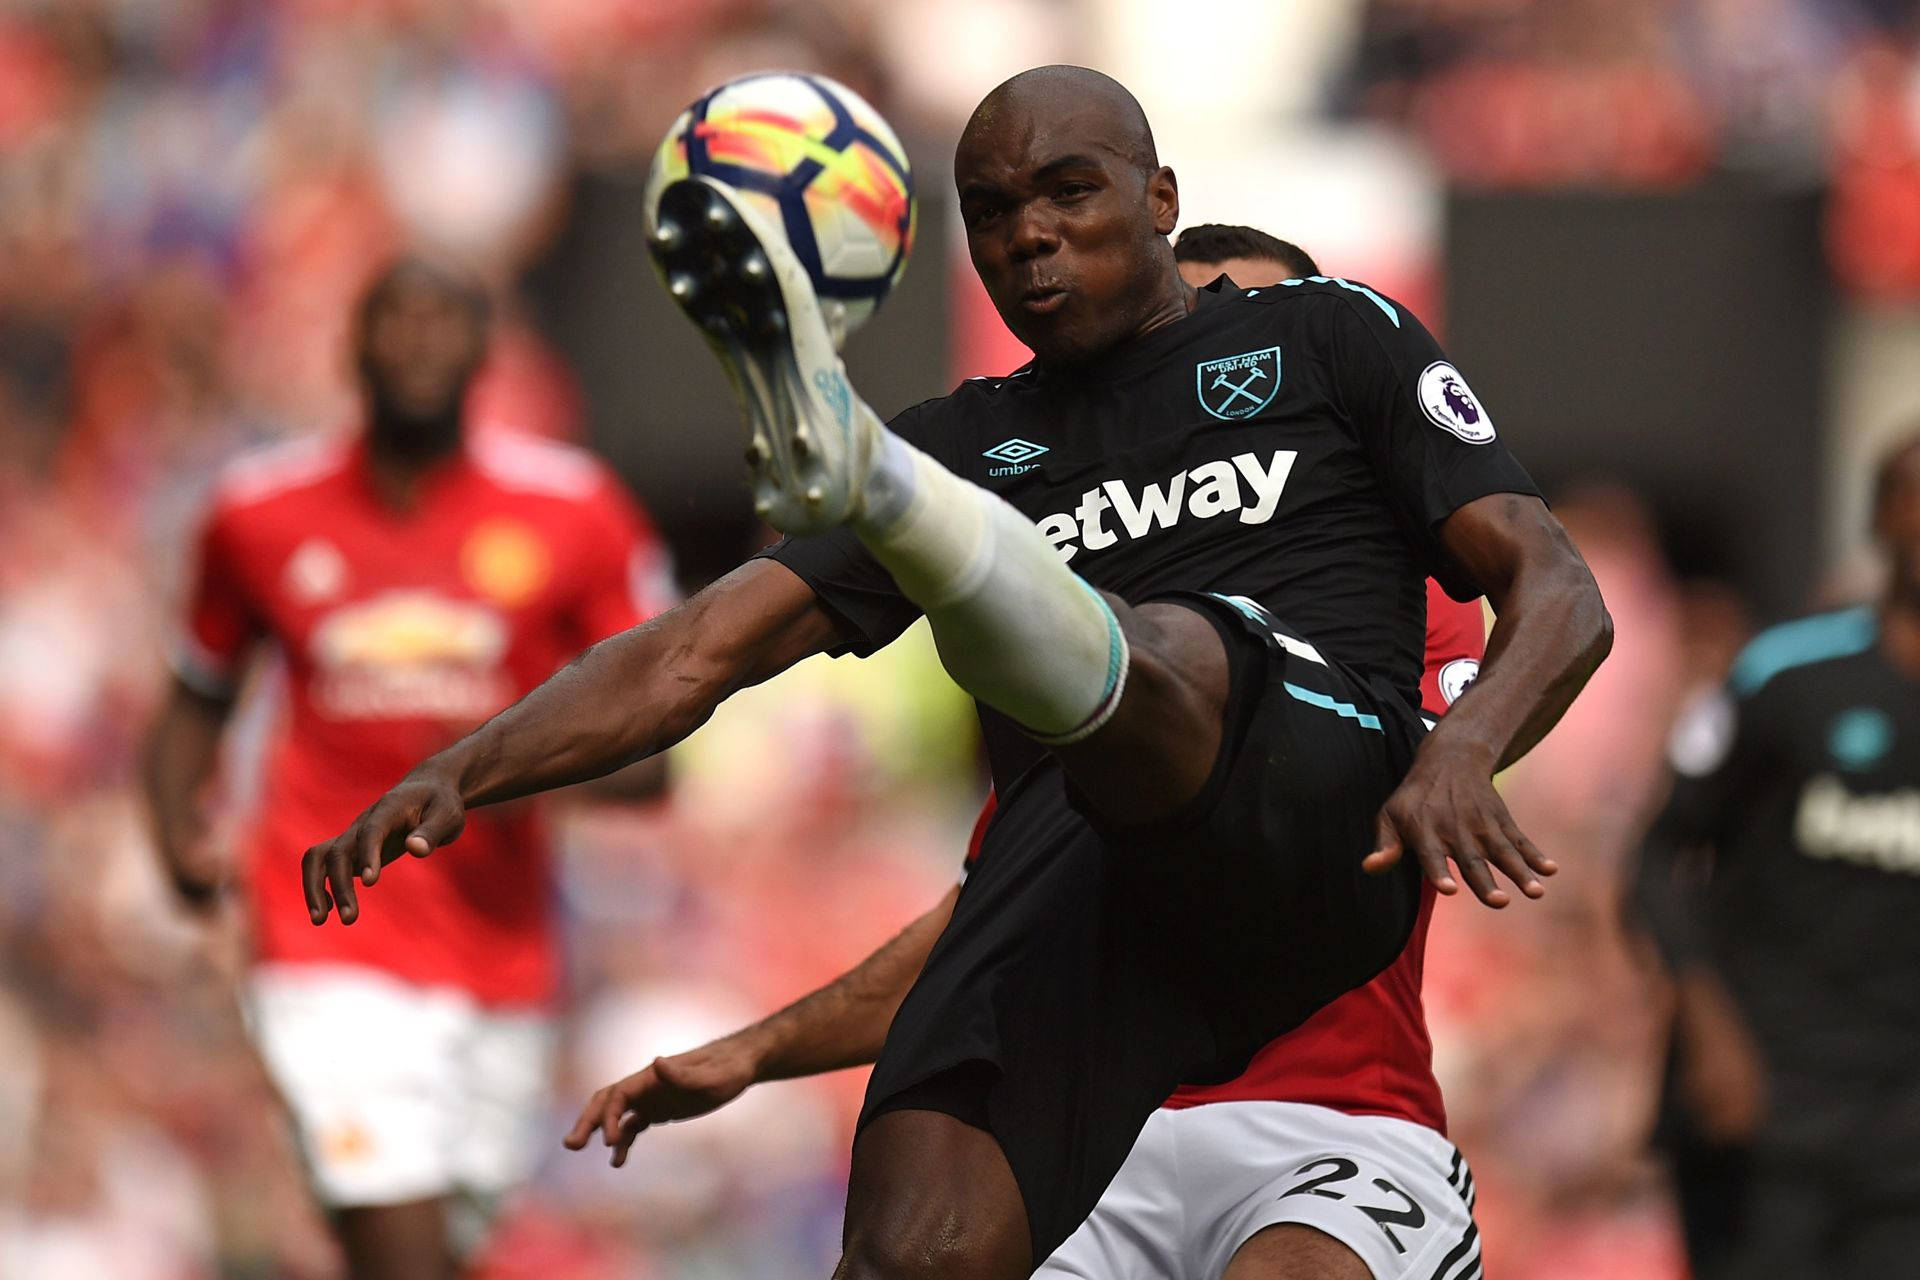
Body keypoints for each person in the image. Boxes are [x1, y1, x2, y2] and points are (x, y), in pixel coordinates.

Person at [303, 67, 1610, 1280]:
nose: (1028, 234)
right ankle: (910, 524)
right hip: (1102, 957)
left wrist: (1463, 746)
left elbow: (1555, 585)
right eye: (990, 211)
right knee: (908, 1251)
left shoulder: (1331, 342)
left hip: (1308, 871)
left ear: (1162, 201)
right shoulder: (981, 439)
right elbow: (695, 651)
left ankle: (891, 507)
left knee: (1177, 644)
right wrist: (467, 765)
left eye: (1066, 193)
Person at [562, 226, 1494, 1280]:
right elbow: (998, 921)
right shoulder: (1087, 652)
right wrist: (757, 1050)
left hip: (1334, 1123)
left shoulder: (1408, 609)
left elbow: (1360, 797)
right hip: (1097, 1135)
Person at [143, 257, 676, 1280]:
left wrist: (507, 781)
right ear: (353, 347)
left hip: (500, 951)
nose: (417, 343)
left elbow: (651, 738)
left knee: (443, 1236)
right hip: (323, 926)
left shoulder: (576, 511)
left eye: (444, 321)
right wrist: (177, 828)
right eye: (394, 320)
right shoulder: (258, 510)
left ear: (485, 350)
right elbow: (196, 692)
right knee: (404, 1243)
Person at [1632, 435, 1920, 1280]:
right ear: (1881, 518)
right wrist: (1703, 1024)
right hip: (1767, 1109)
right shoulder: (1787, 673)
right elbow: (1656, 853)